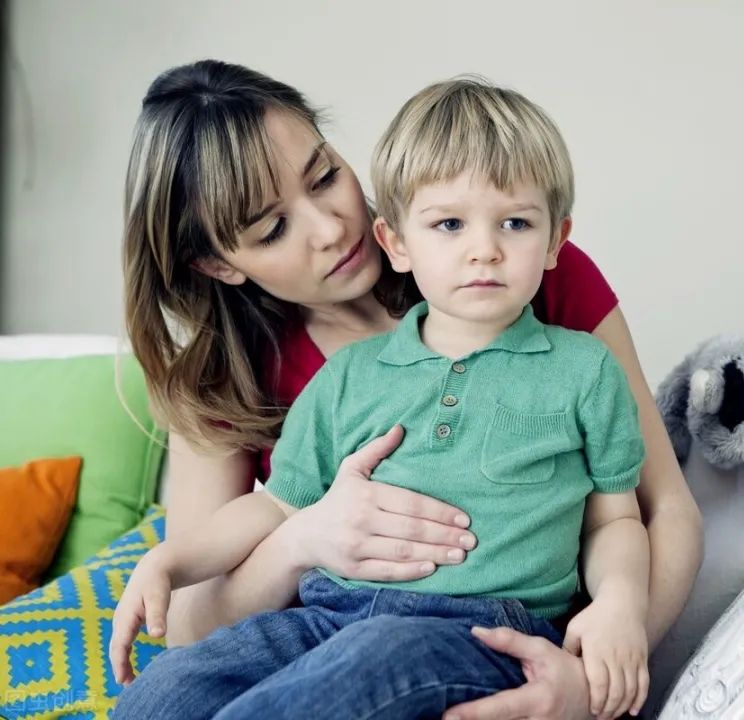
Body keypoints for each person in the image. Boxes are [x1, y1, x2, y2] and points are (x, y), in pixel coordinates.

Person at [118, 59, 703, 720]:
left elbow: (656, 510)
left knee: (370, 659)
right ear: (218, 263)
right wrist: (302, 540)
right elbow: (194, 621)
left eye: (324, 175)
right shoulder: (286, 377)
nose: (331, 229)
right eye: (272, 228)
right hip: (326, 620)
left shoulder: (536, 286)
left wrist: (594, 683)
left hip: (474, 636)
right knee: (163, 694)